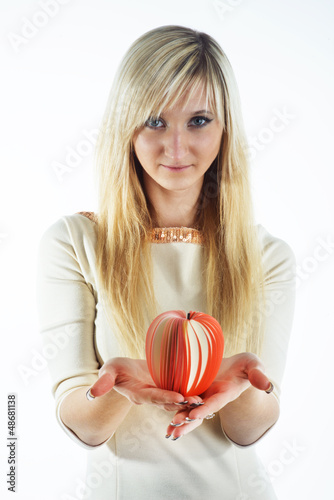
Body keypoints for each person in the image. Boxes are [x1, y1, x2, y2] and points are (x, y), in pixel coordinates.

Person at [36, 25, 296, 500]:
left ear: (226, 129)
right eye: (155, 120)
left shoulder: (267, 257)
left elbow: (250, 431)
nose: (176, 148)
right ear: (125, 125)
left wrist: (239, 387)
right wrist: (116, 386)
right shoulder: (75, 242)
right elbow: (82, 426)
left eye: (199, 121)